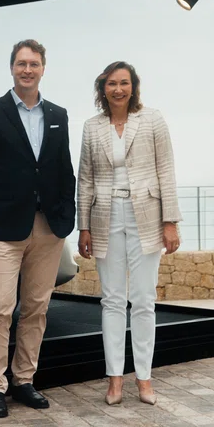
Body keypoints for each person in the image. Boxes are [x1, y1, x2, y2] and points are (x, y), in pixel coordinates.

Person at [0, 39, 77, 418]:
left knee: (36, 308)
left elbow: (64, 171)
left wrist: (66, 217)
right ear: (12, 68)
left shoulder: (58, 114)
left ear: (44, 68)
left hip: (48, 228)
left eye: (34, 64)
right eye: (21, 63)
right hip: (2, 228)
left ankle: (25, 380)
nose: (27, 70)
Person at [76, 61, 182, 407]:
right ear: (102, 88)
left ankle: (145, 378)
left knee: (144, 299)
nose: (118, 89)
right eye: (111, 84)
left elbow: (166, 170)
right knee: (111, 301)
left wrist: (171, 222)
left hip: (147, 217)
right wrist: (84, 226)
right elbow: (86, 179)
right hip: (106, 216)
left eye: (124, 83)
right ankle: (114, 379)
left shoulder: (152, 120)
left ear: (133, 87)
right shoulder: (92, 128)